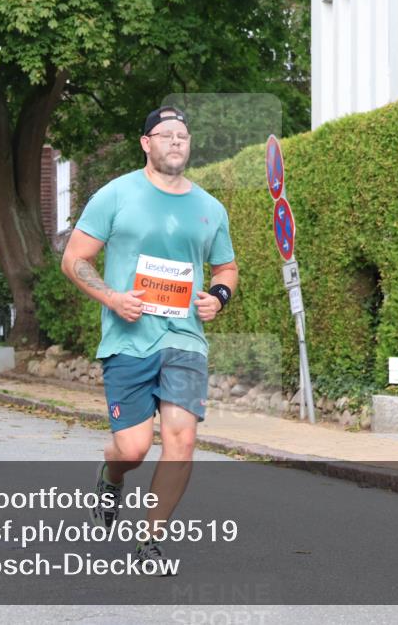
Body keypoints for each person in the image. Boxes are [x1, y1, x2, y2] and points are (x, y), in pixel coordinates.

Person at [61, 105, 238, 572]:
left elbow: (226, 267)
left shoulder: (209, 207)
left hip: (184, 340)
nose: (176, 141)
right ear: (146, 143)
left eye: (183, 134)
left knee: (181, 439)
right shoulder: (115, 195)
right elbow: (75, 259)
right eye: (166, 134)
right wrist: (113, 298)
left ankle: (149, 540)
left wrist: (218, 297)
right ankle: (111, 473)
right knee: (133, 449)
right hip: (127, 340)